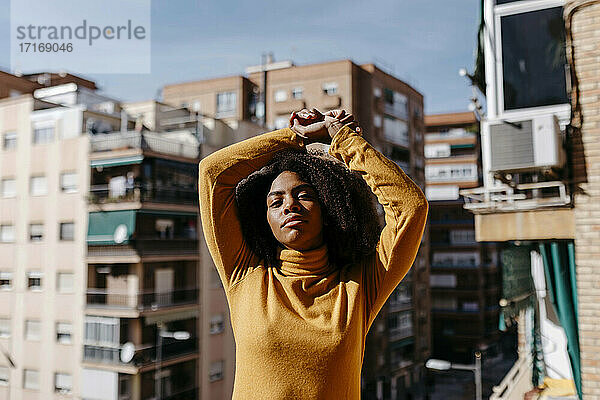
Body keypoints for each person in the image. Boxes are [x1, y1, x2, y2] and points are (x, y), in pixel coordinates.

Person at [199, 109, 428, 399]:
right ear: (264, 219)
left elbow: (411, 207)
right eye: (275, 201)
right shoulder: (244, 275)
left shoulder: (360, 285)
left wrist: (342, 140)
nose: (289, 206)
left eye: (304, 195)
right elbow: (212, 173)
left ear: (329, 208)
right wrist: (296, 136)